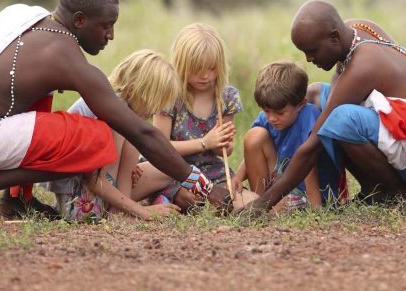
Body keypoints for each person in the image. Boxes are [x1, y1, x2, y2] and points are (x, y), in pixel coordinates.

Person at [0, 0, 227, 219]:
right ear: (79, 21)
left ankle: (16, 198)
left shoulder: (24, 17)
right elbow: (141, 132)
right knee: (95, 137)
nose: (111, 36)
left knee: (43, 106)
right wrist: (204, 185)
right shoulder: (66, 58)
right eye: (106, 26)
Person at [239, 0, 406, 215]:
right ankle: (373, 189)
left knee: (340, 119)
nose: (309, 59)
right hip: (405, 135)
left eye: (312, 51)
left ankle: (399, 198)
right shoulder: (355, 29)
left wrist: (261, 205)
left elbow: (312, 145)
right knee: (313, 94)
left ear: (334, 38)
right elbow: (334, 92)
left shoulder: (364, 65)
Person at [45, 49, 182, 221]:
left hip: (96, 191)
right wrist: (144, 212)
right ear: (135, 90)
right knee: (132, 135)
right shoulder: (113, 113)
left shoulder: (119, 103)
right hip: (79, 204)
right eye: (154, 102)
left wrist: (128, 165)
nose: (155, 110)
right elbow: (94, 181)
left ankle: (122, 211)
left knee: (166, 170)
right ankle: (119, 214)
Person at [132, 23, 242, 210]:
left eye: (212, 68)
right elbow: (159, 147)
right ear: (181, 65)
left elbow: (226, 151)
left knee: (241, 204)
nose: (205, 76)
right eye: (196, 69)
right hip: (169, 168)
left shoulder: (226, 97)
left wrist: (223, 144)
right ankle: (167, 196)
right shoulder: (171, 95)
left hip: (211, 170)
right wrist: (204, 142)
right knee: (188, 198)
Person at [232, 61, 342, 212]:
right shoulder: (268, 118)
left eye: (279, 113)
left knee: (237, 204)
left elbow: (309, 166)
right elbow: (252, 150)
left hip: (305, 193)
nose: (271, 118)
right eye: (266, 110)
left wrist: (316, 210)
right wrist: (237, 177)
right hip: (276, 190)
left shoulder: (308, 116)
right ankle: (260, 202)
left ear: (300, 104)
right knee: (254, 135)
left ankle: (260, 207)